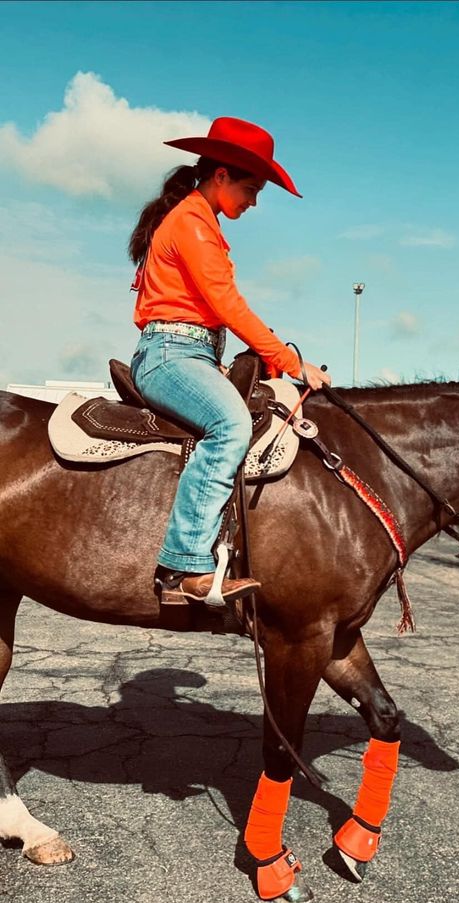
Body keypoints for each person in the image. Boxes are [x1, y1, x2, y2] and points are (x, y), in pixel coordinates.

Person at [128, 117, 330, 604]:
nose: (254, 200)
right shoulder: (192, 223)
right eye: (250, 188)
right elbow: (227, 304)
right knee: (230, 425)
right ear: (219, 175)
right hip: (170, 355)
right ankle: (184, 568)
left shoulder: (201, 222)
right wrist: (287, 359)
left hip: (193, 352)